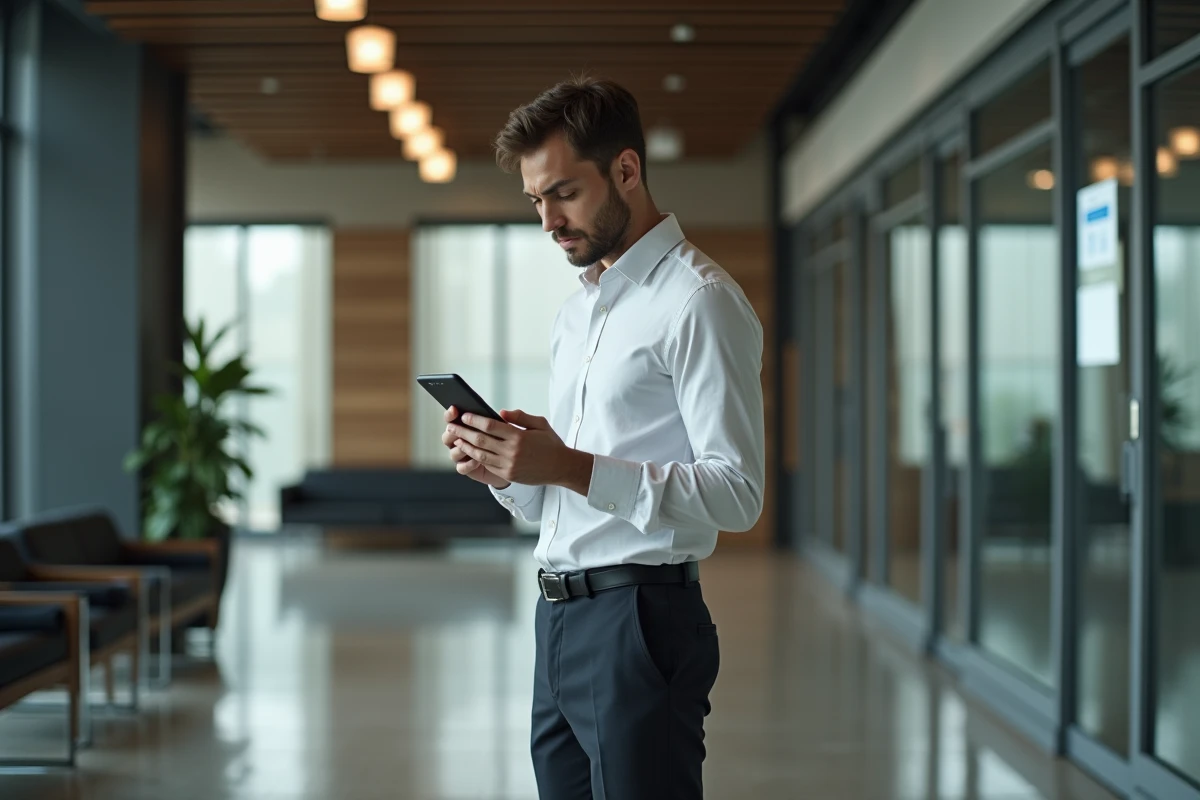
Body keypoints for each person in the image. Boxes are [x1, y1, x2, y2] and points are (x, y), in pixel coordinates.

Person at [438, 76, 765, 800]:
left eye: (564, 193)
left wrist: (570, 465)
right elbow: (566, 489)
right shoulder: (578, 312)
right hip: (557, 618)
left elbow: (738, 494)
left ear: (626, 169)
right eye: (535, 200)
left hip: (640, 622)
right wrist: (510, 470)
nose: (548, 221)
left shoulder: (700, 301)